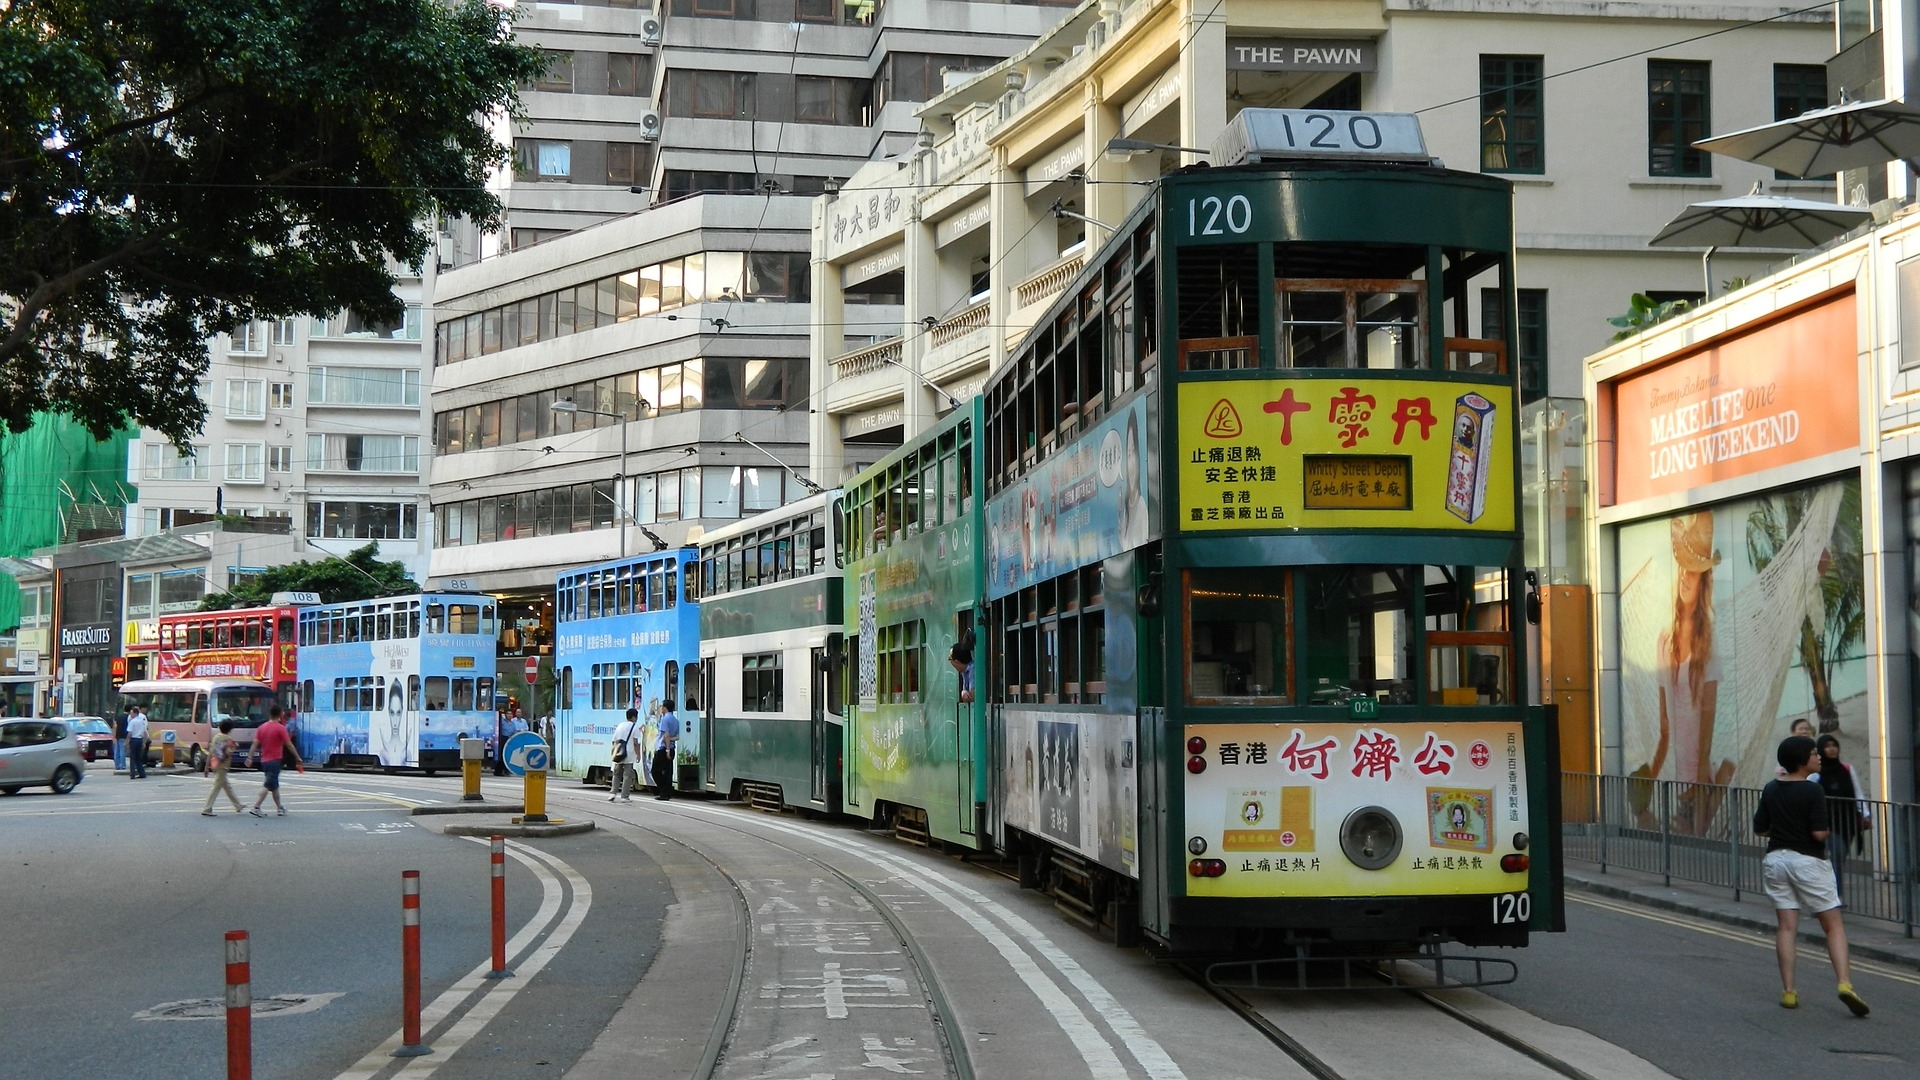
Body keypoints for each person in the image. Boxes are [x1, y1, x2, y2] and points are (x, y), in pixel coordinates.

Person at [1753, 735, 1870, 1016]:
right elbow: (1818, 833)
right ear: (1802, 760)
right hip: (1807, 861)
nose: (1819, 756)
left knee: (1787, 927)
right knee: (1833, 925)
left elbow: (1760, 829)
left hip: (1776, 860)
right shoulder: (1812, 791)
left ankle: (1789, 992)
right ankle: (1844, 984)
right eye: (1814, 753)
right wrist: (1829, 832)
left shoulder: (1771, 788)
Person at [1815, 734, 1870, 896]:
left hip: (1848, 821)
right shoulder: (1816, 773)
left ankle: (1830, 892)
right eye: (1827, 746)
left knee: (1839, 858)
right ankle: (1834, 895)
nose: (1832, 749)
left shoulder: (1847, 769)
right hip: (1827, 823)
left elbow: (1857, 792)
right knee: (1837, 856)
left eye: (1834, 745)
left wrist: (1865, 813)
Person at [247, 705, 303, 817]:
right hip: (275, 760)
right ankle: (256, 807)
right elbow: (289, 745)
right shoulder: (281, 728)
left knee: (274, 785)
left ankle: (279, 808)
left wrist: (250, 757)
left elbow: (255, 744)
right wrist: (297, 757)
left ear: (269, 714)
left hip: (264, 761)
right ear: (280, 714)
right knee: (268, 784)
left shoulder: (261, 728)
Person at [201, 719, 245, 816]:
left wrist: (206, 767)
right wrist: (235, 747)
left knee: (227, 786)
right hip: (223, 765)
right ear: (229, 729)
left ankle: (238, 805)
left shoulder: (216, 737)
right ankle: (207, 808)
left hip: (215, 764)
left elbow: (211, 752)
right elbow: (229, 752)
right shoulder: (228, 739)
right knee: (216, 787)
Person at [608, 708, 639, 802]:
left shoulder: (620, 725)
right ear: (634, 717)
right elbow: (635, 743)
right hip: (629, 755)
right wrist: (638, 754)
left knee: (616, 774)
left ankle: (613, 793)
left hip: (619, 753)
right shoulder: (635, 727)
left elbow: (614, 740)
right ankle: (624, 796)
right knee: (627, 775)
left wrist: (614, 752)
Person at [653, 700, 682, 801]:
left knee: (655, 771)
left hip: (664, 749)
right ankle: (667, 792)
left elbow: (666, 735)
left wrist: (667, 750)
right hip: (672, 747)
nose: (661, 708)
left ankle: (665, 791)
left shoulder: (665, 719)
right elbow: (677, 737)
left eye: (662, 706)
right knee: (668, 772)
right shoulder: (675, 720)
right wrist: (670, 743)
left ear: (665, 708)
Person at [949, 626, 976, 704]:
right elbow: (966, 695)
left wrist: (964, 693)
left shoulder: (972, 669)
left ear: (956, 661)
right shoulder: (964, 672)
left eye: (950, 659)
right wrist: (964, 692)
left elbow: (973, 696)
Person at [125, 705, 149, 780]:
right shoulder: (142, 721)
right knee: (139, 758)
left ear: (135, 713)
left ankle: (132, 774)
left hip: (134, 740)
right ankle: (142, 773)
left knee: (132, 758)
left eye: (131, 713)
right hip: (140, 739)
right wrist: (144, 742)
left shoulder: (132, 721)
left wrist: (126, 741)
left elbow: (130, 733)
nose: (130, 714)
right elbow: (145, 732)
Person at [112, 705, 129, 772]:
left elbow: (115, 726)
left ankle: (117, 765)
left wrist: (114, 736)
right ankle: (123, 765)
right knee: (122, 751)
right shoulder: (128, 718)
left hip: (118, 735)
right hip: (124, 736)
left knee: (117, 751)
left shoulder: (119, 717)